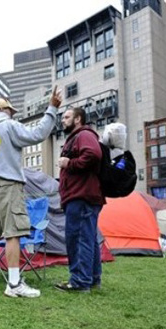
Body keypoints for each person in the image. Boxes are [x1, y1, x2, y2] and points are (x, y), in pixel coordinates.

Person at [0, 87, 62, 297]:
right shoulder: (9, 126)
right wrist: (51, 109)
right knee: (13, 233)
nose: (12, 113)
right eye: (10, 110)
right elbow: (38, 134)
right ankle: (13, 285)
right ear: (3, 110)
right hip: (8, 186)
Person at [56, 107, 106, 293]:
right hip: (83, 196)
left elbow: (93, 154)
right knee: (88, 238)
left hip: (81, 196)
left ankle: (79, 281)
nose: (63, 120)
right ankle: (91, 278)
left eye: (67, 117)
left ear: (78, 119)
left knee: (77, 238)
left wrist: (69, 163)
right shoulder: (79, 136)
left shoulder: (83, 134)